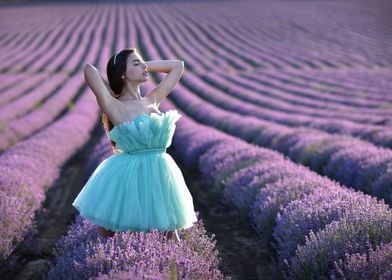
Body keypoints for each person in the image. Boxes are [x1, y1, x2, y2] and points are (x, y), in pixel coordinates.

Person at [72, 48, 198, 242]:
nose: (144, 67)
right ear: (123, 73)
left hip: (161, 172)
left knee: (170, 234)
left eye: (142, 63)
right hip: (128, 173)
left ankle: (174, 271)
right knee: (108, 234)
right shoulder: (114, 106)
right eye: (136, 64)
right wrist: (117, 70)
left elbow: (177, 66)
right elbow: (90, 70)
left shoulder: (152, 99)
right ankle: (102, 266)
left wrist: (143, 64)